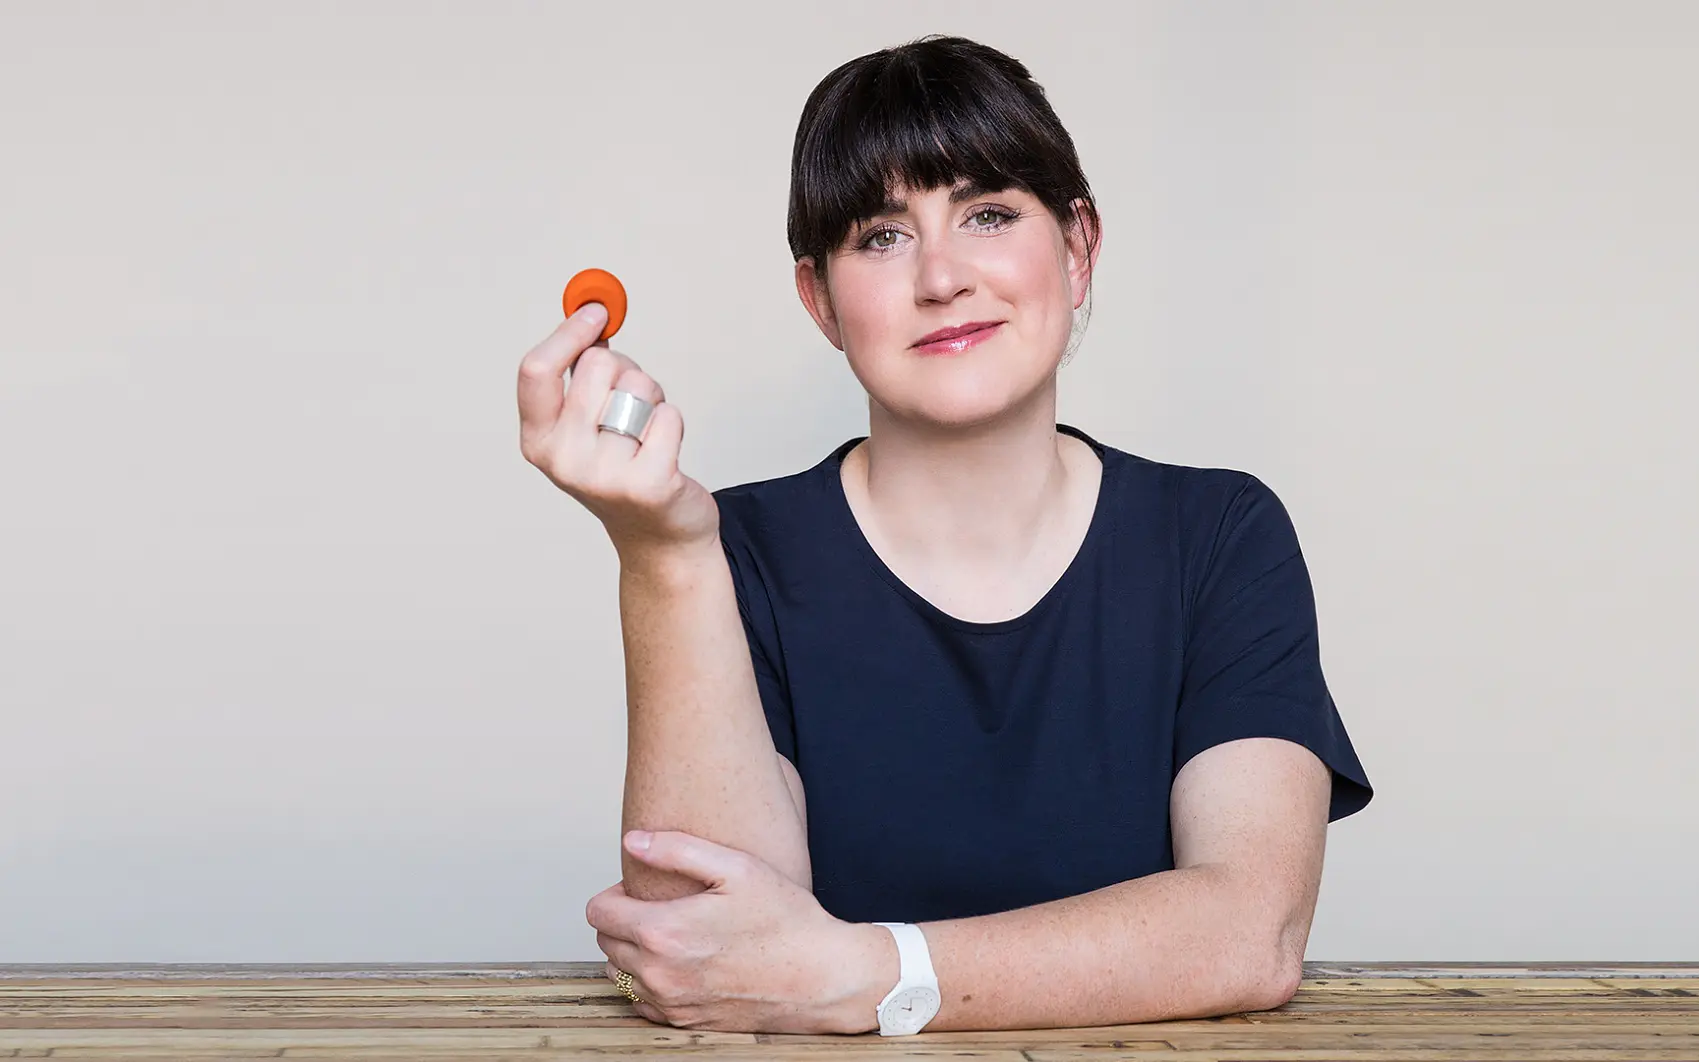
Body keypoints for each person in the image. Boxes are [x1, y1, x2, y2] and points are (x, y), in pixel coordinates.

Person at [516, 34, 1372, 1038]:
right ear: (820, 301)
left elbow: (1247, 932)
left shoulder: (1219, 536)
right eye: (881, 235)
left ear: (1078, 245)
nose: (941, 277)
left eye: (989, 214)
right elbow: (704, 960)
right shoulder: (727, 551)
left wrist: (870, 972)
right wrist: (661, 557)